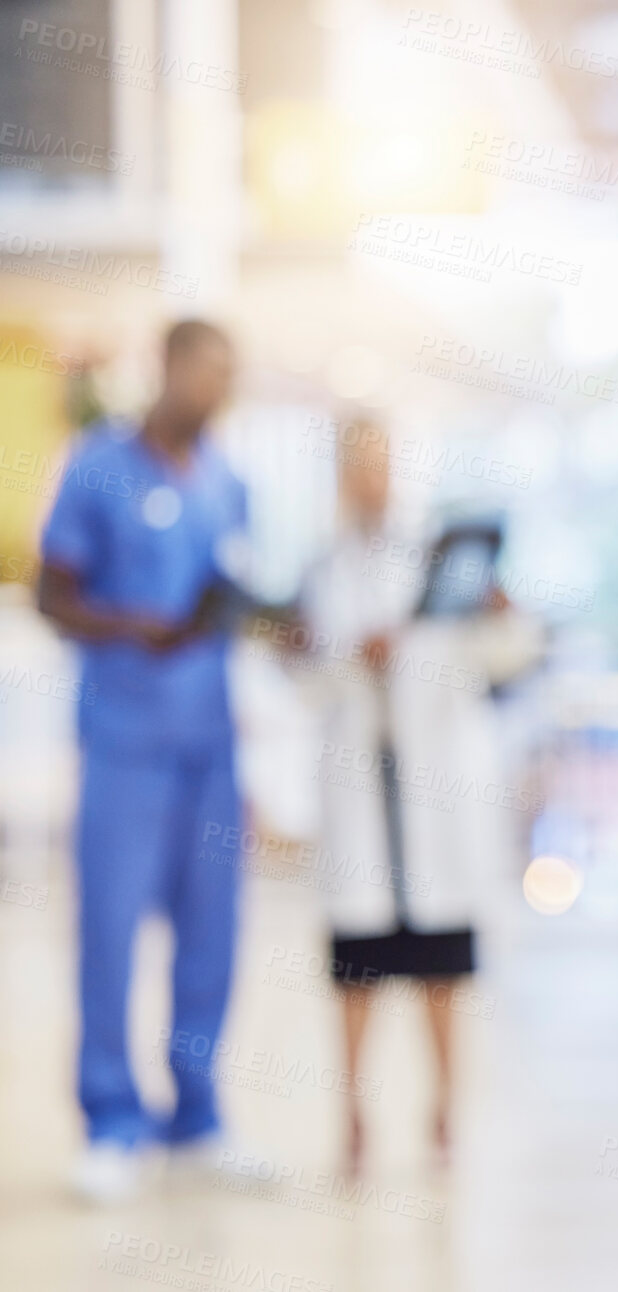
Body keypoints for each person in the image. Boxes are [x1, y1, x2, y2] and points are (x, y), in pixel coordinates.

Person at [293, 419, 542, 1173]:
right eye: (357, 463)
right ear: (341, 472)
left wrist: (499, 613)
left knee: (439, 964)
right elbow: (305, 680)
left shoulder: (443, 560)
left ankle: (444, 1118)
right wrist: (349, 655)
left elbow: (505, 657)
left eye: (382, 460)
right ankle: (353, 1119)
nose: (372, 476)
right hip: (363, 785)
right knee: (358, 965)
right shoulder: (323, 570)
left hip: (435, 791)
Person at [38, 319, 248, 1203]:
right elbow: (54, 593)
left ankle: (195, 1116)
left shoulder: (230, 484)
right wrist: (136, 627)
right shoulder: (96, 465)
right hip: (125, 739)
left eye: (227, 379)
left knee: (212, 937)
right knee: (111, 934)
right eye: (203, 375)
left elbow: (234, 588)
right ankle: (111, 1119)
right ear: (163, 369)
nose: (215, 393)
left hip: (211, 739)